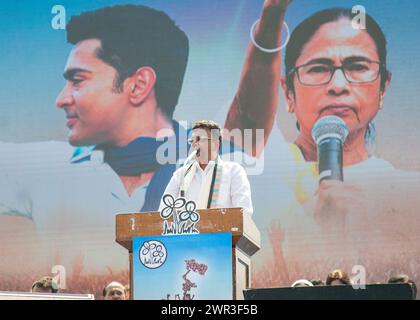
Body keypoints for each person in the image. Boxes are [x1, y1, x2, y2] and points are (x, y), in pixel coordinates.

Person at [238, 2, 420, 288]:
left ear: (383, 88)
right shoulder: (259, 170)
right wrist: (272, 15)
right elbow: (246, 119)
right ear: (288, 92)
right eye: (319, 68)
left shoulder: (406, 192)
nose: (338, 85)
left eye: (357, 66)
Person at [160, 120, 253, 215]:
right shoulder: (181, 174)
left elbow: (244, 213)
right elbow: (163, 211)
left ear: (216, 144)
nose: (194, 144)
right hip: (185, 229)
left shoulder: (233, 171)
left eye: (199, 139)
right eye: (192, 140)